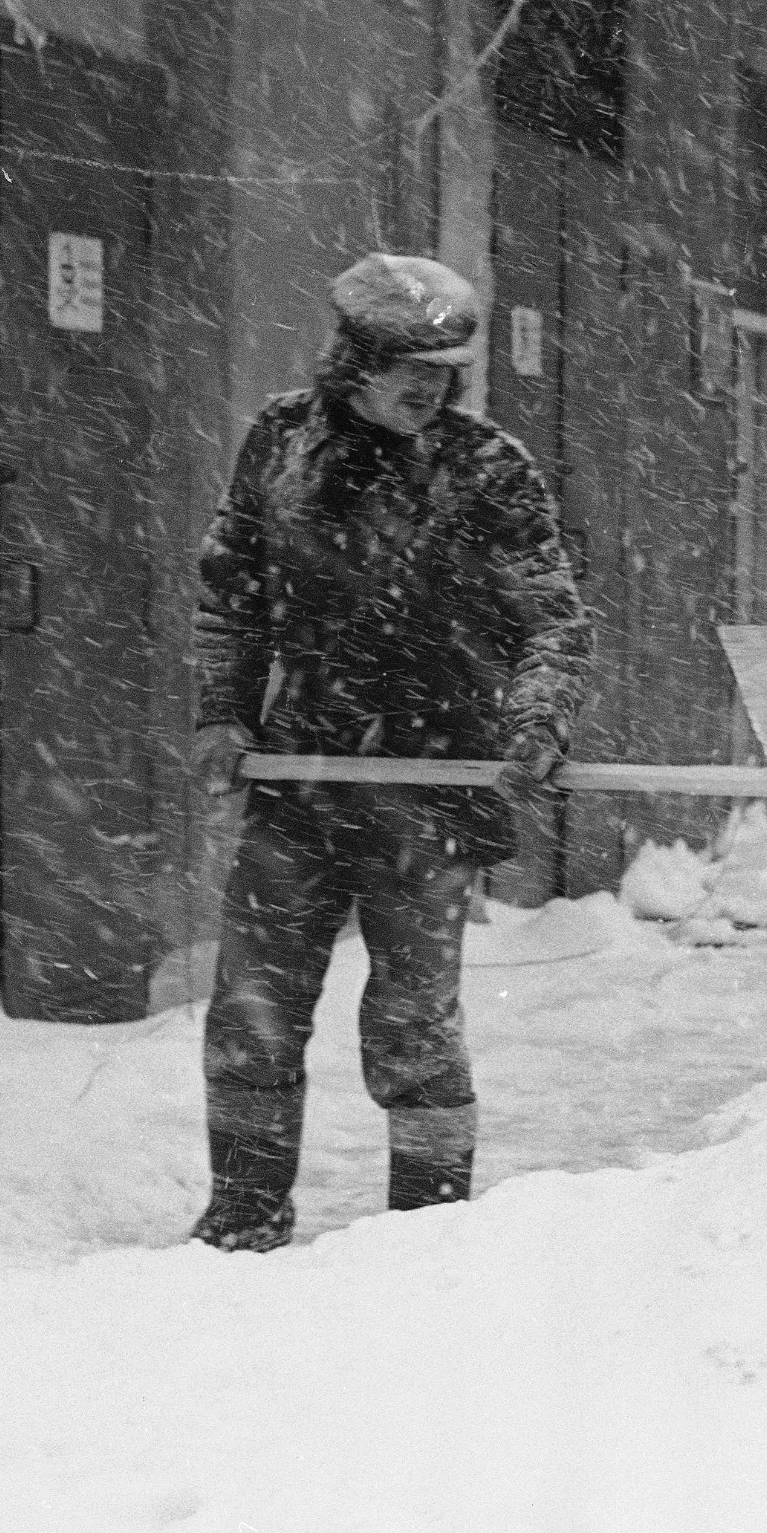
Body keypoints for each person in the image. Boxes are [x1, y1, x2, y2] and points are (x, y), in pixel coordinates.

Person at [188, 255, 589, 1251]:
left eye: (447, 369)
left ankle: (428, 1228)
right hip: (298, 776)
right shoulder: (282, 445)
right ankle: (243, 1210)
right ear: (352, 360)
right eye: (409, 367)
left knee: (413, 1026)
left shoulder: (487, 470)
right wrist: (219, 713)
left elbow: (553, 623)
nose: (431, 388)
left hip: (430, 787)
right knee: (253, 1010)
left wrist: (535, 721)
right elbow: (230, 590)